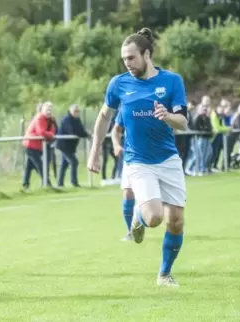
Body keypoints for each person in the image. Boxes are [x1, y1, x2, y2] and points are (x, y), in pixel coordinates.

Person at [87, 28, 188, 287]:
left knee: (175, 221)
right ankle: (139, 217)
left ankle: (164, 275)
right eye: (124, 59)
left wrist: (167, 116)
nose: (127, 64)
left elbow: (183, 122)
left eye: (131, 58)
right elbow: (104, 118)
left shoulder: (172, 81)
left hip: (168, 159)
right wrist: (94, 151)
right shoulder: (118, 84)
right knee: (154, 217)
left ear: (147, 54)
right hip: (138, 161)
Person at [111, 112, 135, 241]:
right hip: (130, 157)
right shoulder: (126, 106)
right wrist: (116, 145)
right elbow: (116, 130)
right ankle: (130, 231)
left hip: (152, 157)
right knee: (127, 193)